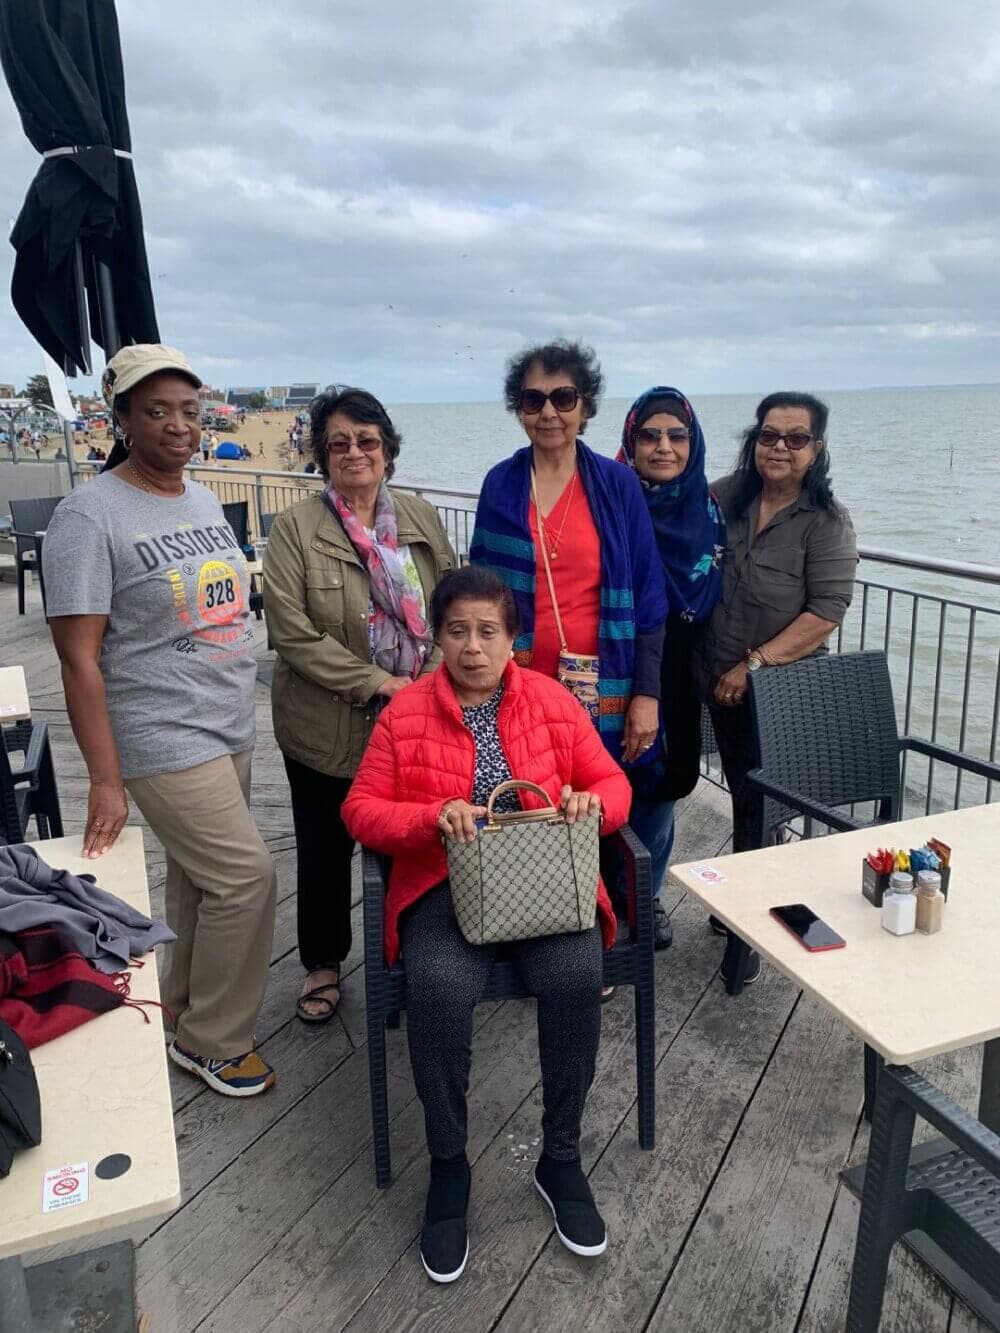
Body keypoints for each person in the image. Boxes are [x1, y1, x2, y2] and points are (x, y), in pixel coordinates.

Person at [342, 565, 632, 1282]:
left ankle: (559, 1154)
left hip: (541, 881)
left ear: (513, 638)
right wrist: (427, 818)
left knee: (575, 972)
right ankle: (448, 1165)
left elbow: (613, 783)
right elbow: (359, 809)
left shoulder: (553, 701)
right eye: (457, 630)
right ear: (436, 635)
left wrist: (589, 806)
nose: (473, 646)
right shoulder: (405, 713)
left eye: (489, 631)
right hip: (445, 884)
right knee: (437, 988)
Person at [41, 344, 277, 1097]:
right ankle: (214, 1039)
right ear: (121, 419)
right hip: (159, 730)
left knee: (199, 880)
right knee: (248, 878)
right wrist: (106, 779)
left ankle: (179, 1007)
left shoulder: (202, 498)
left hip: (229, 720)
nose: (179, 426)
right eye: (157, 411)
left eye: (189, 410)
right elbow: (79, 660)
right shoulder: (90, 514)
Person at [264, 385, 456, 1023]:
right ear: (321, 454)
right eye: (339, 442)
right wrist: (377, 683)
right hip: (328, 725)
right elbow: (290, 633)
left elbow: (453, 604)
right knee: (323, 848)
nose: (354, 452)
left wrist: (428, 679)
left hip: (418, 718)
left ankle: (409, 951)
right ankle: (322, 961)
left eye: (367, 441)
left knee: (414, 841)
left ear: (387, 450)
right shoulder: (295, 529)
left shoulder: (421, 518)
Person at [698, 391, 857, 982]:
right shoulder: (723, 497)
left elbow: (827, 609)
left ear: (816, 449)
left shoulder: (827, 521)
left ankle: (753, 926)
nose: (780, 448)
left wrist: (755, 663)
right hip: (708, 673)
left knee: (763, 800)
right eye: (770, 435)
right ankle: (741, 898)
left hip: (778, 690)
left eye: (796, 438)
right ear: (754, 439)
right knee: (739, 792)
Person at [470, 341, 667, 768]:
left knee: (599, 807)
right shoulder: (499, 485)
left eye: (563, 398)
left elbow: (649, 598)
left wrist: (647, 695)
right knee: (525, 805)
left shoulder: (618, 486)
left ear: (585, 406)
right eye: (533, 400)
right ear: (519, 409)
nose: (548, 412)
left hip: (601, 690)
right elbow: (477, 598)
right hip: (516, 686)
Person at [616, 387, 724, 949]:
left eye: (677, 435)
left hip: (678, 672)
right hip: (613, 659)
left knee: (659, 786)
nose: (664, 446)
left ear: (693, 441)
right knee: (599, 782)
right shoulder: (608, 499)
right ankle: (599, 899)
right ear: (630, 440)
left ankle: (645, 897)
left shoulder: (706, 509)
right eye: (649, 434)